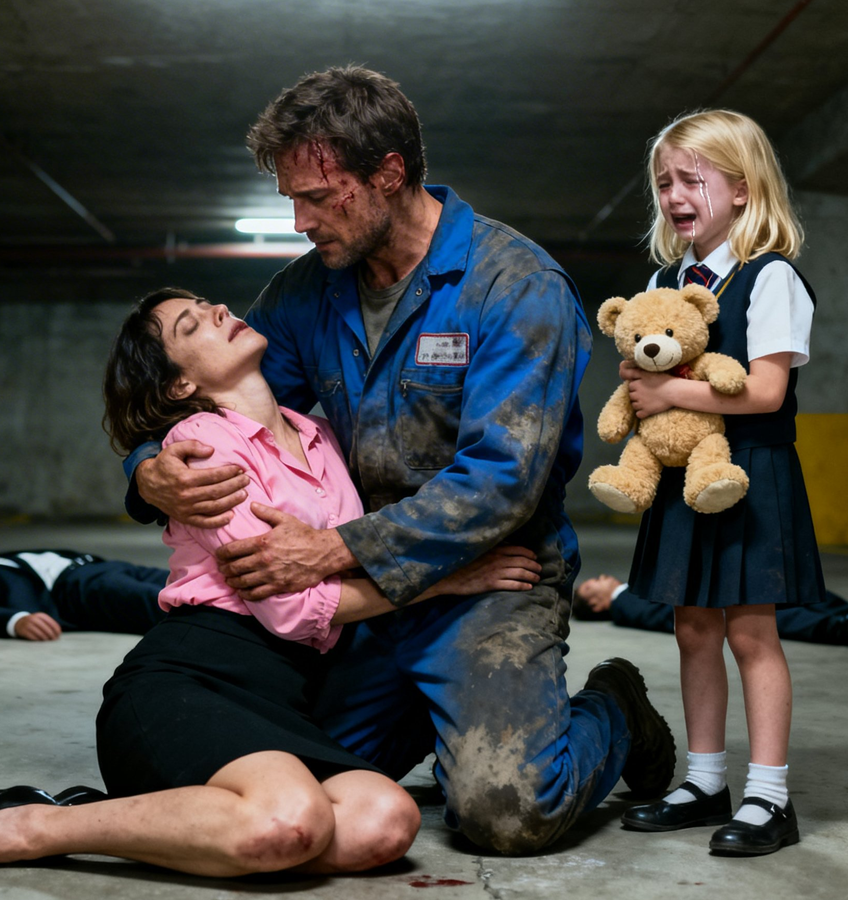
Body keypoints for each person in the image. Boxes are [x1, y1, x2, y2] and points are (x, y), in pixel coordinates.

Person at [122, 66, 676, 855]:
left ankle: (614, 708)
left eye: (318, 196)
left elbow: (501, 482)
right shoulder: (305, 294)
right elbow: (215, 396)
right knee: (293, 788)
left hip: (494, 577)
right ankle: (453, 715)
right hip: (368, 597)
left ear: (388, 174)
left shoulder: (514, 287)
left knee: (505, 812)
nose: (299, 220)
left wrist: (331, 549)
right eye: (291, 198)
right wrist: (148, 469)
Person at [0, 288, 542, 877]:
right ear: (180, 384)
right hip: (195, 677)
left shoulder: (318, 437)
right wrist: (438, 580)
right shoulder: (201, 448)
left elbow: (348, 561)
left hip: (289, 692)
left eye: (209, 305)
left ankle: (190, 818)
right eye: (191, 326)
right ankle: (38, 825)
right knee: (287, 821)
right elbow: (293, 610)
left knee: (382, 821)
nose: (217, 312)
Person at [612, 110, 824, 856]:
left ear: (742, 188)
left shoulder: (771, 277)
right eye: (664, 181)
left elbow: (765, 392)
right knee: (693, 625)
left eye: (692, 179)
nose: (674, 194)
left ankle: (770, 796)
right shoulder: (665, 281)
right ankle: (706, 780)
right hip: (679, 477)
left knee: (751, 632)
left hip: (750, 471)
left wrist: (669, 396)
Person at [574, 573, 848, 650]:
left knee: (795, 595)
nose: (599, 578)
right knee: (784, 618)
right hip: (714, 609)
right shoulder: (624, 603)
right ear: (598, 605)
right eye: (591, 586)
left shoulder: (631, 591)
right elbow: (663, 616)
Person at [0, 549, 166, 641]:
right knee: (164, 603)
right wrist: (15, 621)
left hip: (99, 565)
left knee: (188, 579)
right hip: (71, 587)